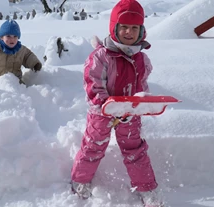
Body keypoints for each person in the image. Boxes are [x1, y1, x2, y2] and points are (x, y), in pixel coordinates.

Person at [70, 0, 163, 206]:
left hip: (129, 113)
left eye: (134, 28)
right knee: (94, 146)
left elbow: (142, 87)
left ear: (141, 30)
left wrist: (140, 103)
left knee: (135, 150)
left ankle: (147, 189)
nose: (128, 32)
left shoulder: (142, 59)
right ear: (114, 28)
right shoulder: (102, 56)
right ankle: (81, 180)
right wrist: (108, 106)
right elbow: (93, 85)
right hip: (101, 113)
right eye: (124, 27)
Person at [0, 20, 42, 84]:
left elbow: (28, 56)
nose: (12, 39)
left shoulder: (20, 49)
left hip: (15, 82)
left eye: (15, 36)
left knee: (22, 89)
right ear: (2, 37)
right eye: (8, 36)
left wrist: (35, 64)